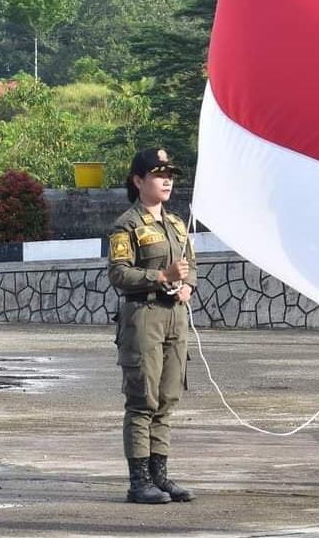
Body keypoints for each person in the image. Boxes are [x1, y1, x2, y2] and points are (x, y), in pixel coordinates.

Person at [107, 148, 196, 504]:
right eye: (158, 174)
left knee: (167, 398)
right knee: (143, 399)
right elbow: (118, 272)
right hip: (144, 317)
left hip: (175, 316)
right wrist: (161, 276)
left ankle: (160, 475)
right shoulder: (126, 225)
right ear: (138, 180)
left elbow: (191, 264)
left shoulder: (176, 224)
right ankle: (139, 480)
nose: (167, 180)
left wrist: (188, 285)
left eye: (170, 173)